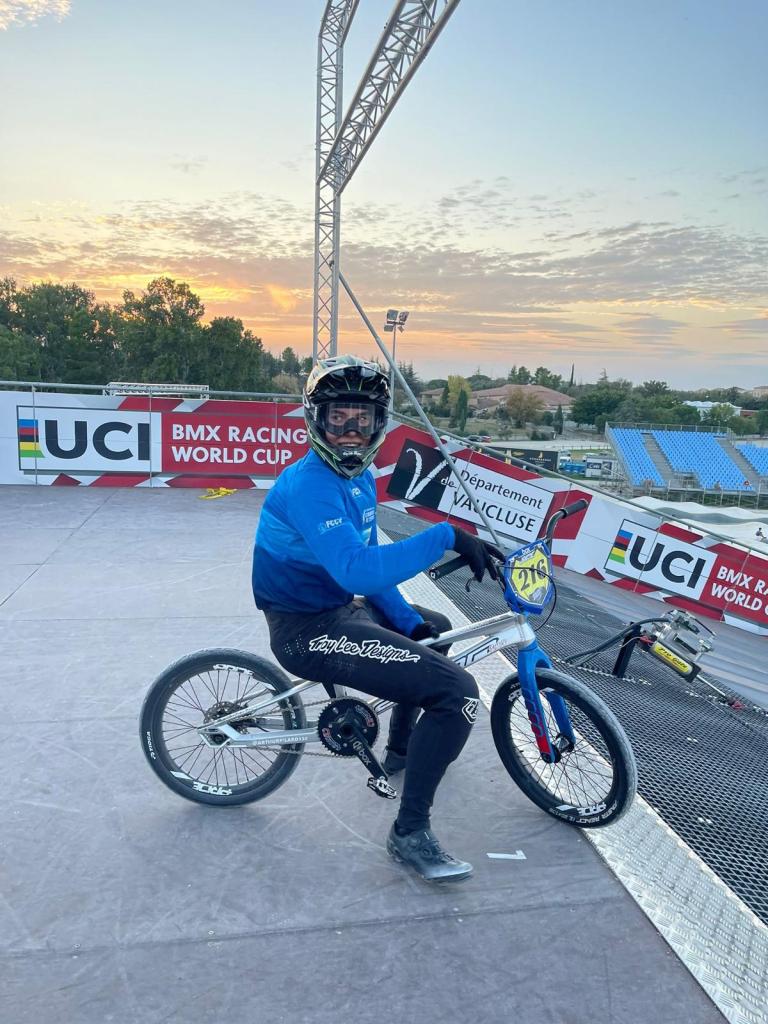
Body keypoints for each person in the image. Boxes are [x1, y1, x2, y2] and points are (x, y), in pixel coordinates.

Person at [252, 355, 502, 882]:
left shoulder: (361, 480)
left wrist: (410, 624)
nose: (350, 431)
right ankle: (409, 833)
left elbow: (369, 577)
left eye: (362, 418)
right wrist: (446, 535)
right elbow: (357, 570)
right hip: (306, 629)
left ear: (378, 423)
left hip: (338, 608)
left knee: (434, 630)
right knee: (457, 693)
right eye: (337, 417)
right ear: (315, 420)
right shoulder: (311, 484)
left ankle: (402, 749)